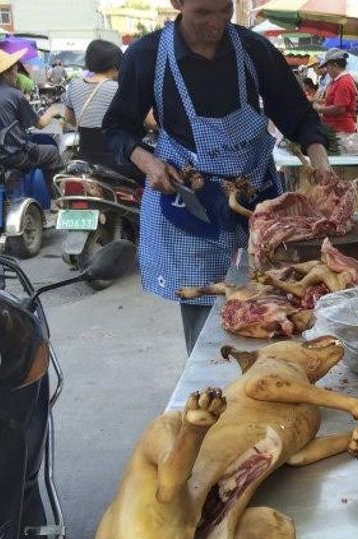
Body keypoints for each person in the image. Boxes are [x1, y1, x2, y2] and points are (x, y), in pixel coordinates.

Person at [103, 0, 331, 354]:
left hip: (258, 204)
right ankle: (208, 391)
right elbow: (117, 126)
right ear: (178, 3)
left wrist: (321, 163)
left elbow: (297, 114)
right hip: (191, 204)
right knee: (206, 327)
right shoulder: (148, 55)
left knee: (275, 304)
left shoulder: (254, 49)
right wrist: (149, 163)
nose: (217, 23)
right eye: (203, 12)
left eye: (225, 9)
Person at [63, 40, 147, 181]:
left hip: (85, 159)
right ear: (115, 66)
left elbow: (70, 118)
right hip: (119, 162)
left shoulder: (74, 86)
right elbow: (149, 121)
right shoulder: (119, 88)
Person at [0, 47, 64, 185]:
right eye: (15, 70)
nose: (16, 74)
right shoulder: (14, 95)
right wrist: (52, 111)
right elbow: (40, 124)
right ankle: (57, 200)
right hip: (13, 156)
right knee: (52, 153)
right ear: (6, 72)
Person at [314, 48, 358, 134]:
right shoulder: (337, 80)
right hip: (334, 127)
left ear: (335, 65)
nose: (327, 70)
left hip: (341, 129)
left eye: (327, 67)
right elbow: (333, 102)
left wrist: (319, 109)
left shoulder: (343, 82)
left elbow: (339, 108)